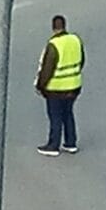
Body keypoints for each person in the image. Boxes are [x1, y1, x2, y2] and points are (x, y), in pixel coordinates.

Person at [35, 14, 84, 156]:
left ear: (53, 28)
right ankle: (71, 143)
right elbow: (82, 60)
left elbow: (47, 69)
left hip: (56, 89)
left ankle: (53, 145)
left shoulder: (53, 45)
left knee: (55, 116)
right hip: (74, 86)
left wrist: (40, 86)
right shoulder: (75, 40)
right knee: (68, 113)